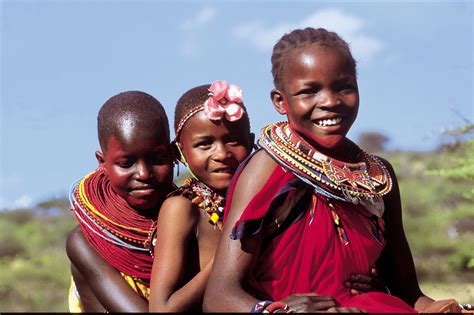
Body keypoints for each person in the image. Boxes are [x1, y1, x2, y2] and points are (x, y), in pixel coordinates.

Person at [203, 28, 463, 313]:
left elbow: (408, 293)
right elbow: (219, 297)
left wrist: (447, 308)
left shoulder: (377, 177)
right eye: (309, 91)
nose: (330, 101)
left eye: (343, 87)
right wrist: (278, 311)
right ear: (280, 101)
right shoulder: (265, 170)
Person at [148, 81, 255, 312]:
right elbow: (162, 309)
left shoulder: (261, 201)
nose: (222, 154)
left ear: (251, 142)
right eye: (205, 144)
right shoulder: (182, 208)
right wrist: (230, 258)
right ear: (179, 151)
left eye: (233, 140)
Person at [66, 91, 175, 312]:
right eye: (126, 163)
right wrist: (216, 267)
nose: (144, 174)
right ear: (102, 162)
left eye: (158, 159)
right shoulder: (88, 241)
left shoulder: (196, 214)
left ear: (174, 154)